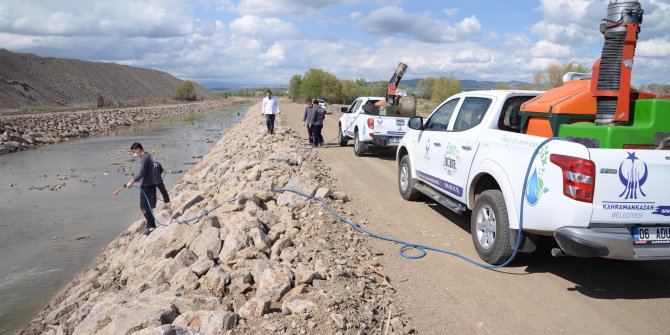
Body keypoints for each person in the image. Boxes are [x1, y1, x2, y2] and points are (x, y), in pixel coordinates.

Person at [125, 142, 157, 235]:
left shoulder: (144, 158)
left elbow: (142, 172)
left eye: (134, 152)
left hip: (147, 186)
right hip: (148, 184)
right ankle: (150, 224)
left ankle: (151, 225)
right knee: (147, 206)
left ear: (139, 149)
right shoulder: (146, 156)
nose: (134, 154)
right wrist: (138, 180)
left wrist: (132, 181)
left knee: (144, 207)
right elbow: (146, 172)